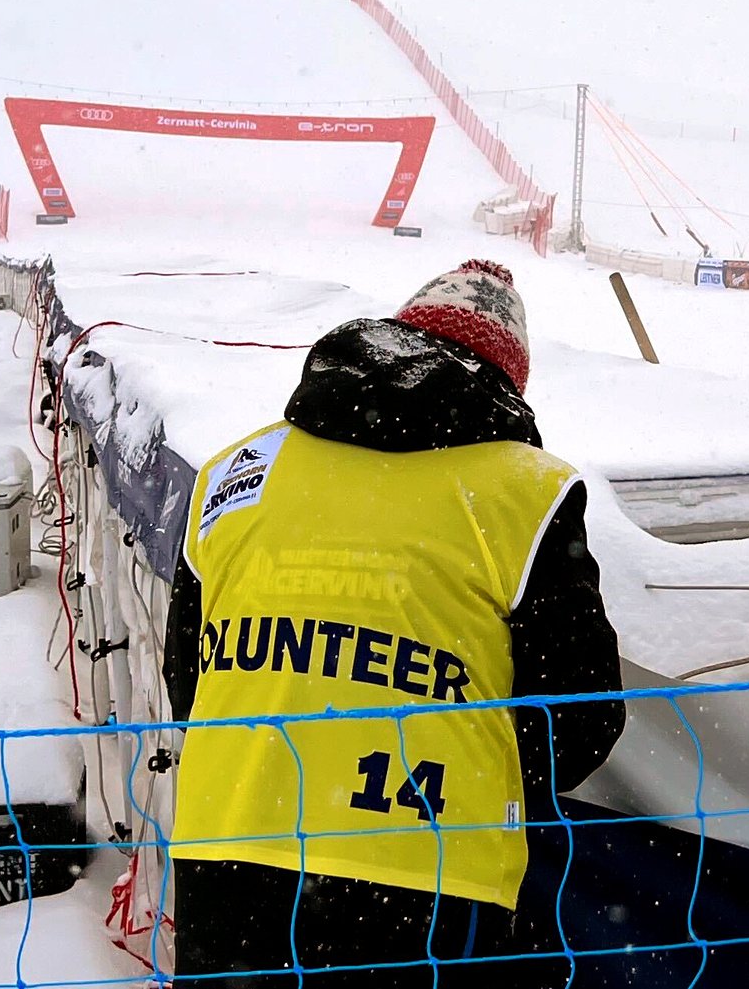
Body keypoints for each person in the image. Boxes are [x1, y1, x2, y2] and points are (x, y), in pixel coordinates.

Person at [165, 259, 625, 987]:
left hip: (228, 854)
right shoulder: (524, 493)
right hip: (428, 882)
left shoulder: (234, 470)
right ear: (505, 381)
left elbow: (188, 676)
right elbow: (581, 717)